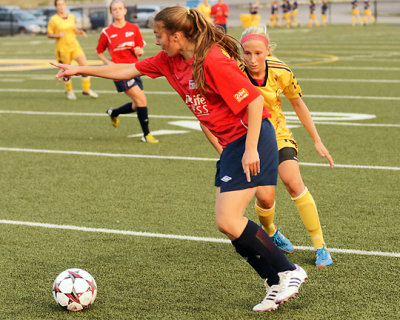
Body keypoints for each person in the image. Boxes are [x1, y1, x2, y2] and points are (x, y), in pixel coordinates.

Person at [51, 6, 308, 312]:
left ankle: (288, 271)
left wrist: (252, 148)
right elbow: (127, 69)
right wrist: (81, 70)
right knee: (227, 225)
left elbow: (253, 101)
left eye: (159, 35)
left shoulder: (211, 59)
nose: (156, 41)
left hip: (251, 139)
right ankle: (274, 279)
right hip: (232, 145)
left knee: (228, 219)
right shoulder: (168, 60)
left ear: (176, 35)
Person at [238, 26, 334, 267]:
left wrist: (317, 139)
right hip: (247, 140)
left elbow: (298, 104)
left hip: (277, 133)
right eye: (247, 53)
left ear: (268, 50)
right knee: (266, 199)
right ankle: (270, 231)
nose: (252, 59)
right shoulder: (234, 72)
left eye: (258, 53)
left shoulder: (281, 70)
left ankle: (320, 245)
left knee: (294, 183)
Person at [96, 0, 158, 143]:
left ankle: (114, 112)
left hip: (135, 69)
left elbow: (140, 49)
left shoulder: (134, 28)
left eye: (120, 8)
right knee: (142, 100)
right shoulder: (107, 32)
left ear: (125, 11)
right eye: (114, 9)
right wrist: (108, 63)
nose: (117, 11)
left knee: (137, 105)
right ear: (111, 13)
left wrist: (139, 50)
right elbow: (99, 52)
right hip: (119, 72)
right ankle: (146, 134)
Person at [47, 0, 98, 100]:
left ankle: (86, 89)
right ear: (56, 7)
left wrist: (79, 32)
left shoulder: (71, 16)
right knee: (67, 70)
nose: (61, 6)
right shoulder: (53, 19)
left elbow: (73, 29)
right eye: (59, 5)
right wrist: (58, 35)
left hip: (74, 46)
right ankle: (69, 91)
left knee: (84, 65)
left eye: (62, 4)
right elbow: (49, 34)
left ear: (65, 5)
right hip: (62, 49)